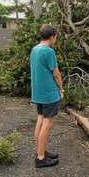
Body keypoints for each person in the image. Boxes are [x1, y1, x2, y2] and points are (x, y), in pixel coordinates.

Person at [30, 24, 64, 168]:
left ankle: (40, 150)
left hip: (38, 92)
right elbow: (56, 73)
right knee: (47, 124)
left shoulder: (35, 49)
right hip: (49, 94)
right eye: (56, 36)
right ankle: (41, 158)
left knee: (40, 120)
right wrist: (61, 88)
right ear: (52, 36)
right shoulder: (48, 51)